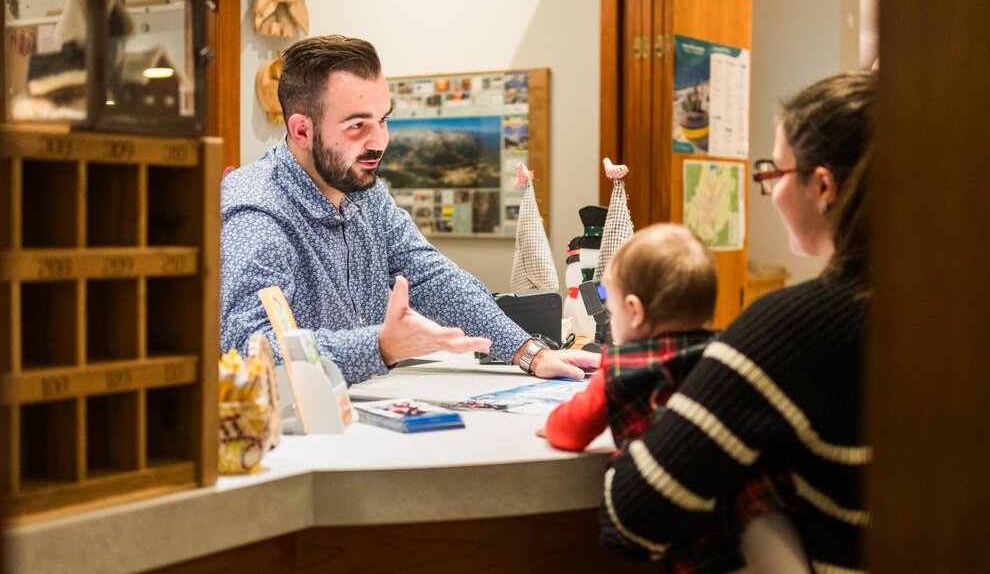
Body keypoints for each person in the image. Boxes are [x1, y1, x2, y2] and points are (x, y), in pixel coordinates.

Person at [601, 71, 875, 572]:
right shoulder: (950, 311)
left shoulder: (793, 326)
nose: (770, 191)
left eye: (774, 173)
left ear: (822, 186)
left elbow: (637, 510)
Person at [221, 35, 598, 385]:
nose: (379, 142)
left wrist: (530, 352)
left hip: (363, 411)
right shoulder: (255, 213)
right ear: (302, 131)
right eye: (357, 125)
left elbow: (432, 278)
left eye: (383, 119)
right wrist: (380, 347)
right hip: (291, 428)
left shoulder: (364, 192)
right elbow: (250, 351)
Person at [542, 223, 718, 453]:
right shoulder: (721, 354)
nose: (611, 318)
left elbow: (571, 431)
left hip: (646, 473)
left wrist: (550, 426)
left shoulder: (620, 368)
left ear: (634, 311)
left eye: (612, 312)